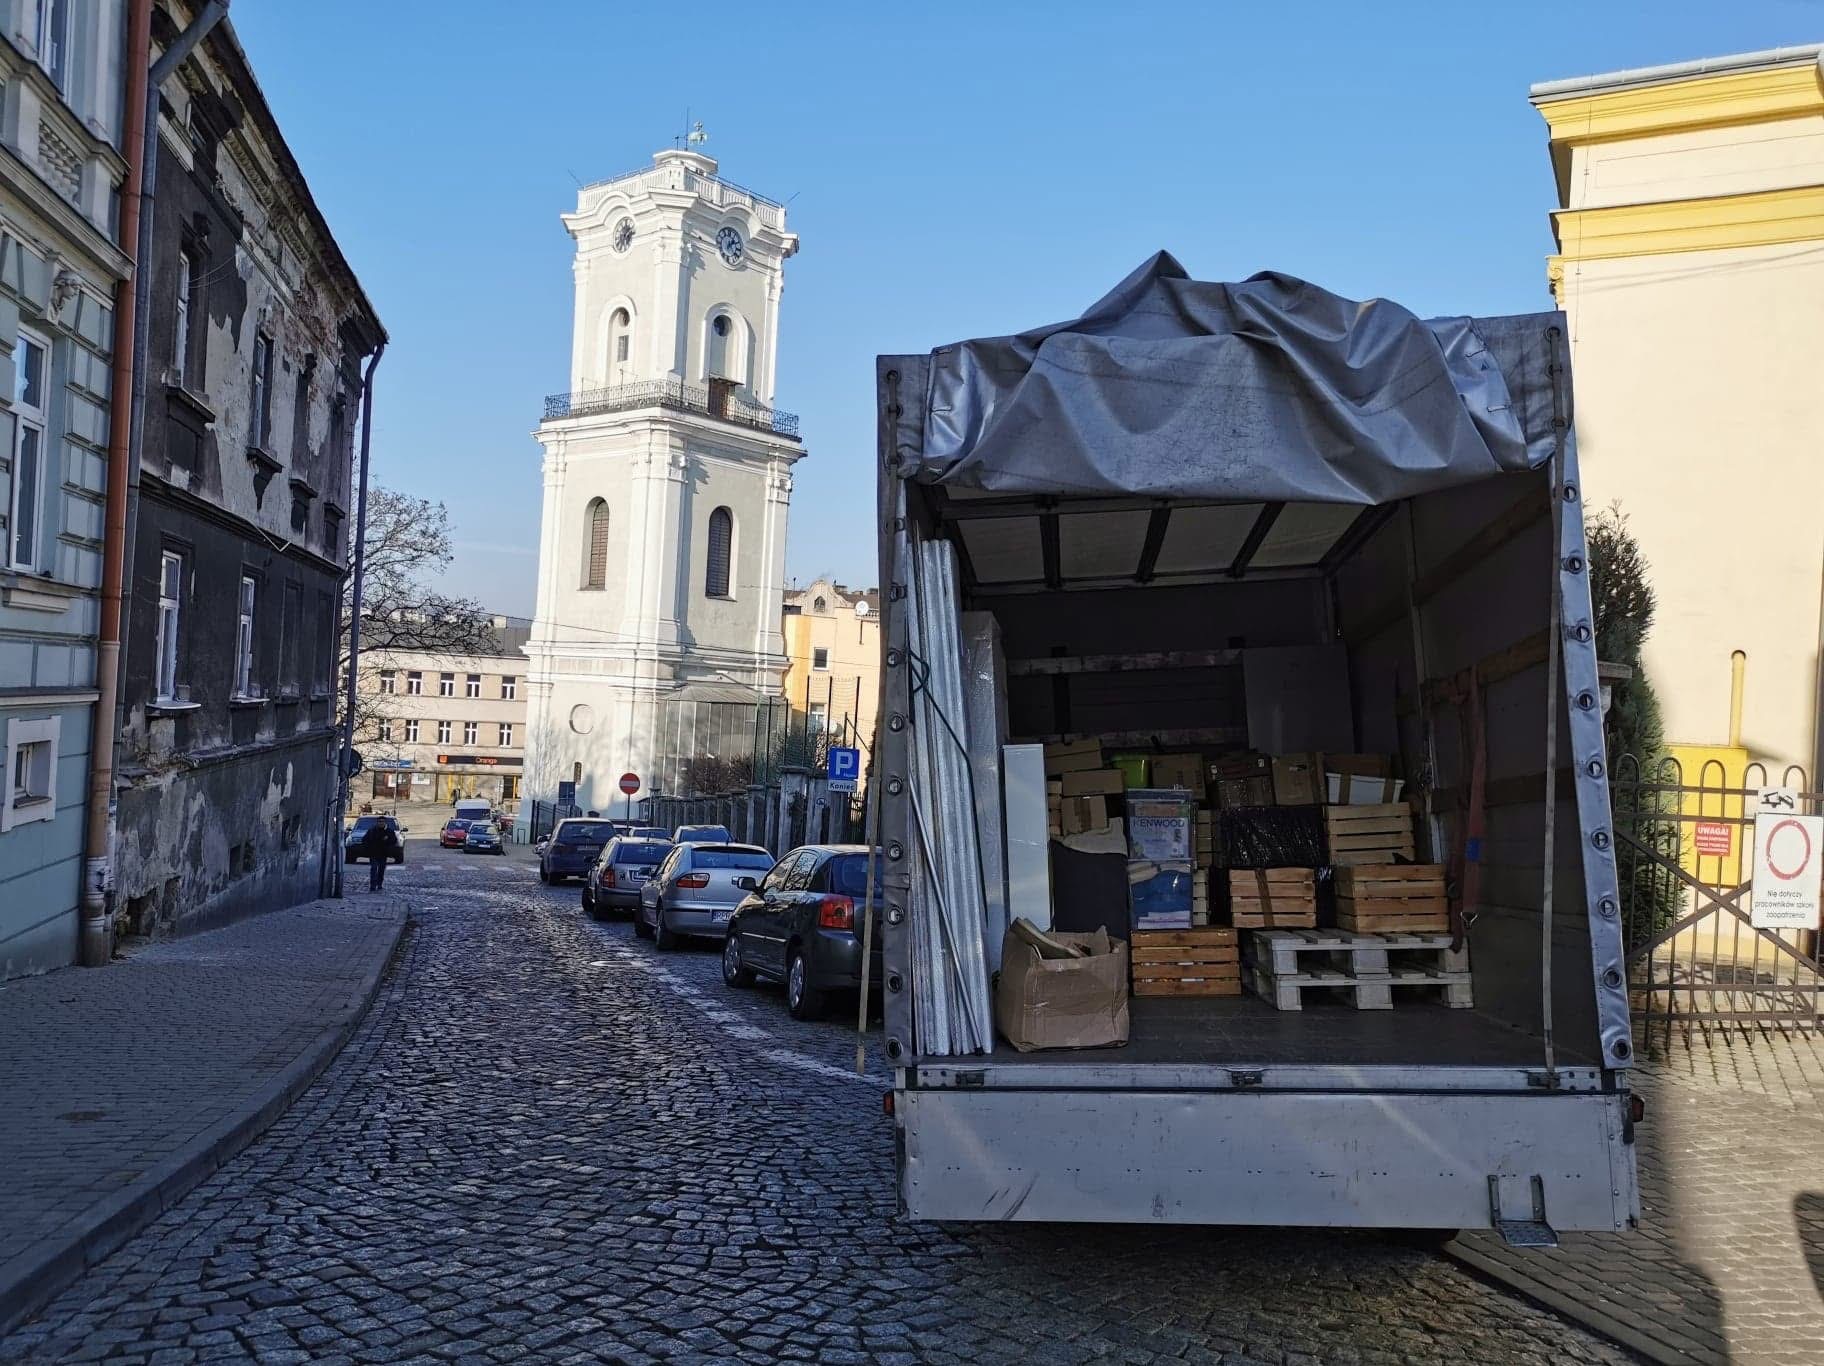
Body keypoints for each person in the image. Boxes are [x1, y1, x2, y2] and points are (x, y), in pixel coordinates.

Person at [362, 819, 394, 891]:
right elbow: (364, 840)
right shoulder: (372, 831)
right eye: (379, 821)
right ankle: (373, 885)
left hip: (383, 854)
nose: (381, 823)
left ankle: (379, 884)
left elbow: (394, 840)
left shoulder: (389, 831)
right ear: (377, 823)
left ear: (385, 823)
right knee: (373, 868)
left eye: (382, 822)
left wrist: (387, 840)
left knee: (381, 870)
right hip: (373, 853)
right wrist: (368, 847)